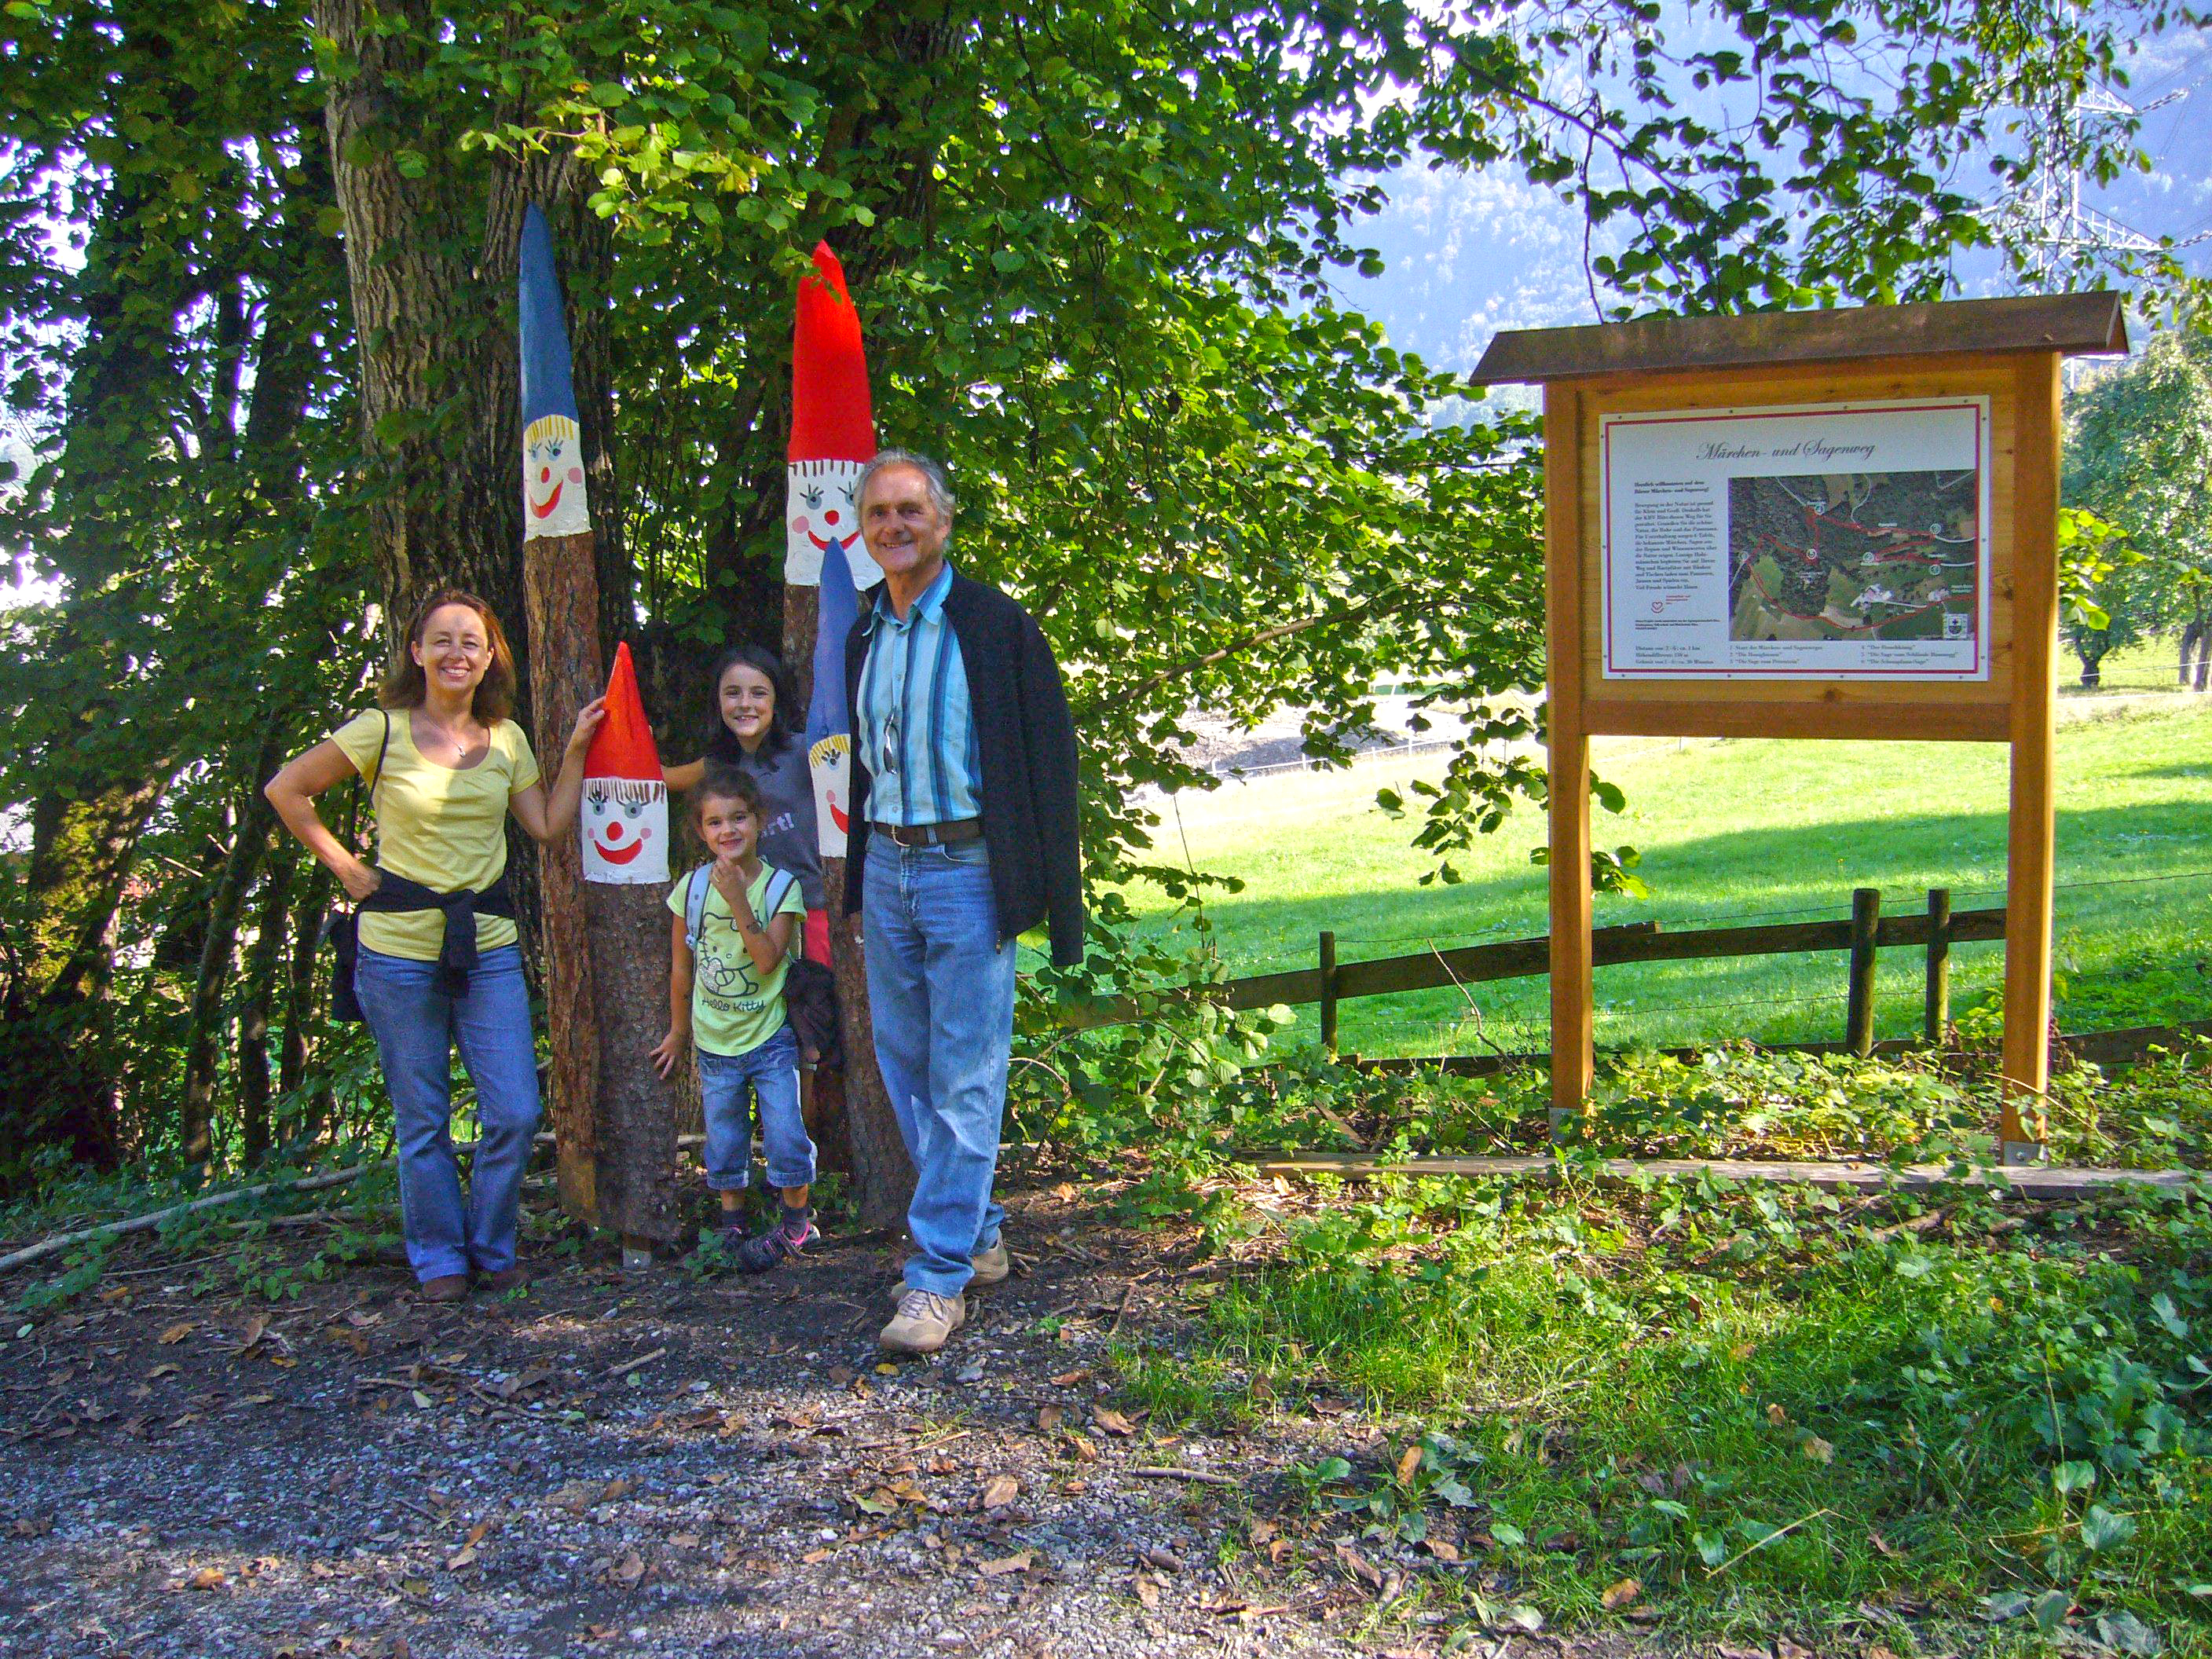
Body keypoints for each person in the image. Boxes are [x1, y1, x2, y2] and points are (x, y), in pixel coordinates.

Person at [265, 589, 606, 1302]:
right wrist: (349, 870)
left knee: (514, 1110)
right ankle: (438, 1257)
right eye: (442, 641)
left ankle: (490, 1242)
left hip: (486, 945)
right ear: (416, 652)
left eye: (471, 644)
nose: (457, 654)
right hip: (395, 949)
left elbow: (546, 825)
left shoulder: (506, 739)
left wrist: (575, 748)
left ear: (489, 661)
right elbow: (288, 790)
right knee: (422, 1118)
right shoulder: (379, 730)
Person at [843, 449, 1083, 1356]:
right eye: (877, 514)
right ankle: (977, 1235)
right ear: (862, 531)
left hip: (968, 870)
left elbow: (1047, 763)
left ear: (943, 523)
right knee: (902, 1060)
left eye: (909, 510)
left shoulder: (992, 626)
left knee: (965, 1075)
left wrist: (1047, 890)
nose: (893, 526)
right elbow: (865, 766)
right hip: (888, 868)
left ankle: (936, 1277)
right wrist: (862, 872)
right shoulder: (865, 631)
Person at [649, 766, 817, 1272]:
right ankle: (733, 1227)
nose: (729, 832)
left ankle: (796, 1223)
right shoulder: (692, 890)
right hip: (714, 1041)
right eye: (715, 823)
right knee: (724, 1138)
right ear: (700, 832)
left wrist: (739, 898)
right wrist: (680, 1032)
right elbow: (683, 970)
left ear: (759, 820)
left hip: (770, 1037)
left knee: (785, 1131)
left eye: (739, 818)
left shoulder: (781, 888)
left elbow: (767, 960)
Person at [662, 646, 827, 965]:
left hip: (812, 912)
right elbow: (659, 780)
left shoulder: (806, 752)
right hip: (751, 910)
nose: (745, 704)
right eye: (733, 693)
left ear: (776, 699)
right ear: (718, 702)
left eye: (758, 693)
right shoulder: (718, 766)